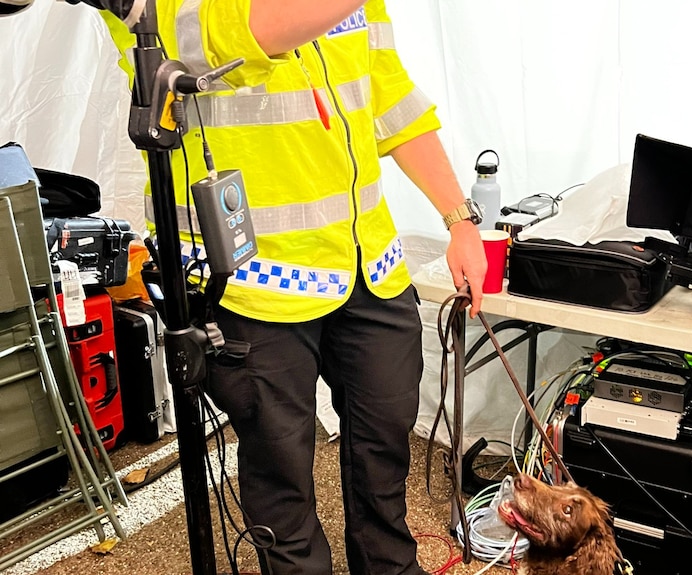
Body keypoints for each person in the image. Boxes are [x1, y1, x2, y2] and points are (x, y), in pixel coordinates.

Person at [105, 1, 487, 574]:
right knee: (280, 479)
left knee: (384, 455)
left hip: (368, 269)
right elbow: (256, 32)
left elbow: (390, 100)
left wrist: (459, 218)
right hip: (252, 281)